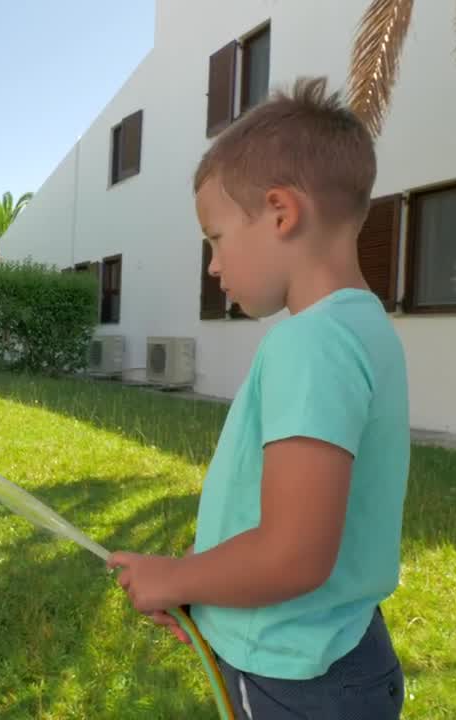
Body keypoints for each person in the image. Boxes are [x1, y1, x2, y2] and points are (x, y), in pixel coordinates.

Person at [106, 76, 410, 719]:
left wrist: (177, 578)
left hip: (296, 677)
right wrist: (202, 587)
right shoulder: (364, 328)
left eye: (215, 238)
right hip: (340, 651)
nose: (213, 266)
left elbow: (295, 553)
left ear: (281, 213)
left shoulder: (312, 344)